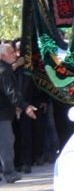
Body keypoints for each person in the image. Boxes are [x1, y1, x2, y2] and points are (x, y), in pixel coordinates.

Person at [0, 43, 37, 183]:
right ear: (2, 56)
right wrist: (25, 106)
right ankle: (9, 173)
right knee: (6, 142)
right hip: (2, 114)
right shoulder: (4, 71)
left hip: (4, 111)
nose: (15, 55)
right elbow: (11, 93)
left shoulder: (6, 69)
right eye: (11, 52)